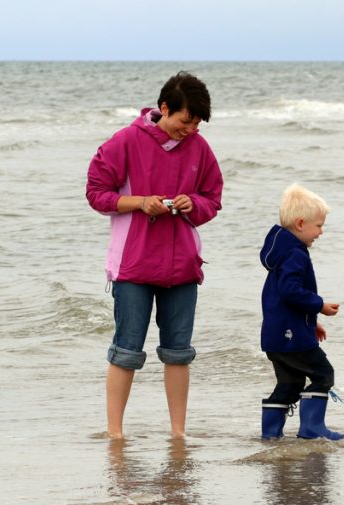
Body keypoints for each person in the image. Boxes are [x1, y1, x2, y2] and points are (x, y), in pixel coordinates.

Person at [86, 71, 223, 439]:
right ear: (164, 108)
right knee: (126, 350)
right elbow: (96, 192)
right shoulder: (126, 141)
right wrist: (140, 203)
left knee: (179, 352)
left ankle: (178, 434)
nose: (190, 129)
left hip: (182, 268)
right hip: (133, 265)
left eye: (196, 123)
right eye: (185, 120)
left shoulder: (200, 148)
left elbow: (213, 199)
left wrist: (191, 203)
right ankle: (115, 434)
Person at [259, 183, 344, 440]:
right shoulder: (295, 253)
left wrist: (310, 322)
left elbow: (284, 299)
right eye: (318, 225)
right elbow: (291, 291)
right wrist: (319, 305)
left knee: (290, 383)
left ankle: (271, 434)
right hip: (290, 335)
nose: (321, 231)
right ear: (300, 223)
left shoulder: (281, 250)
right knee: (323, 373)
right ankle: (312, 429)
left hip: (277, 335)